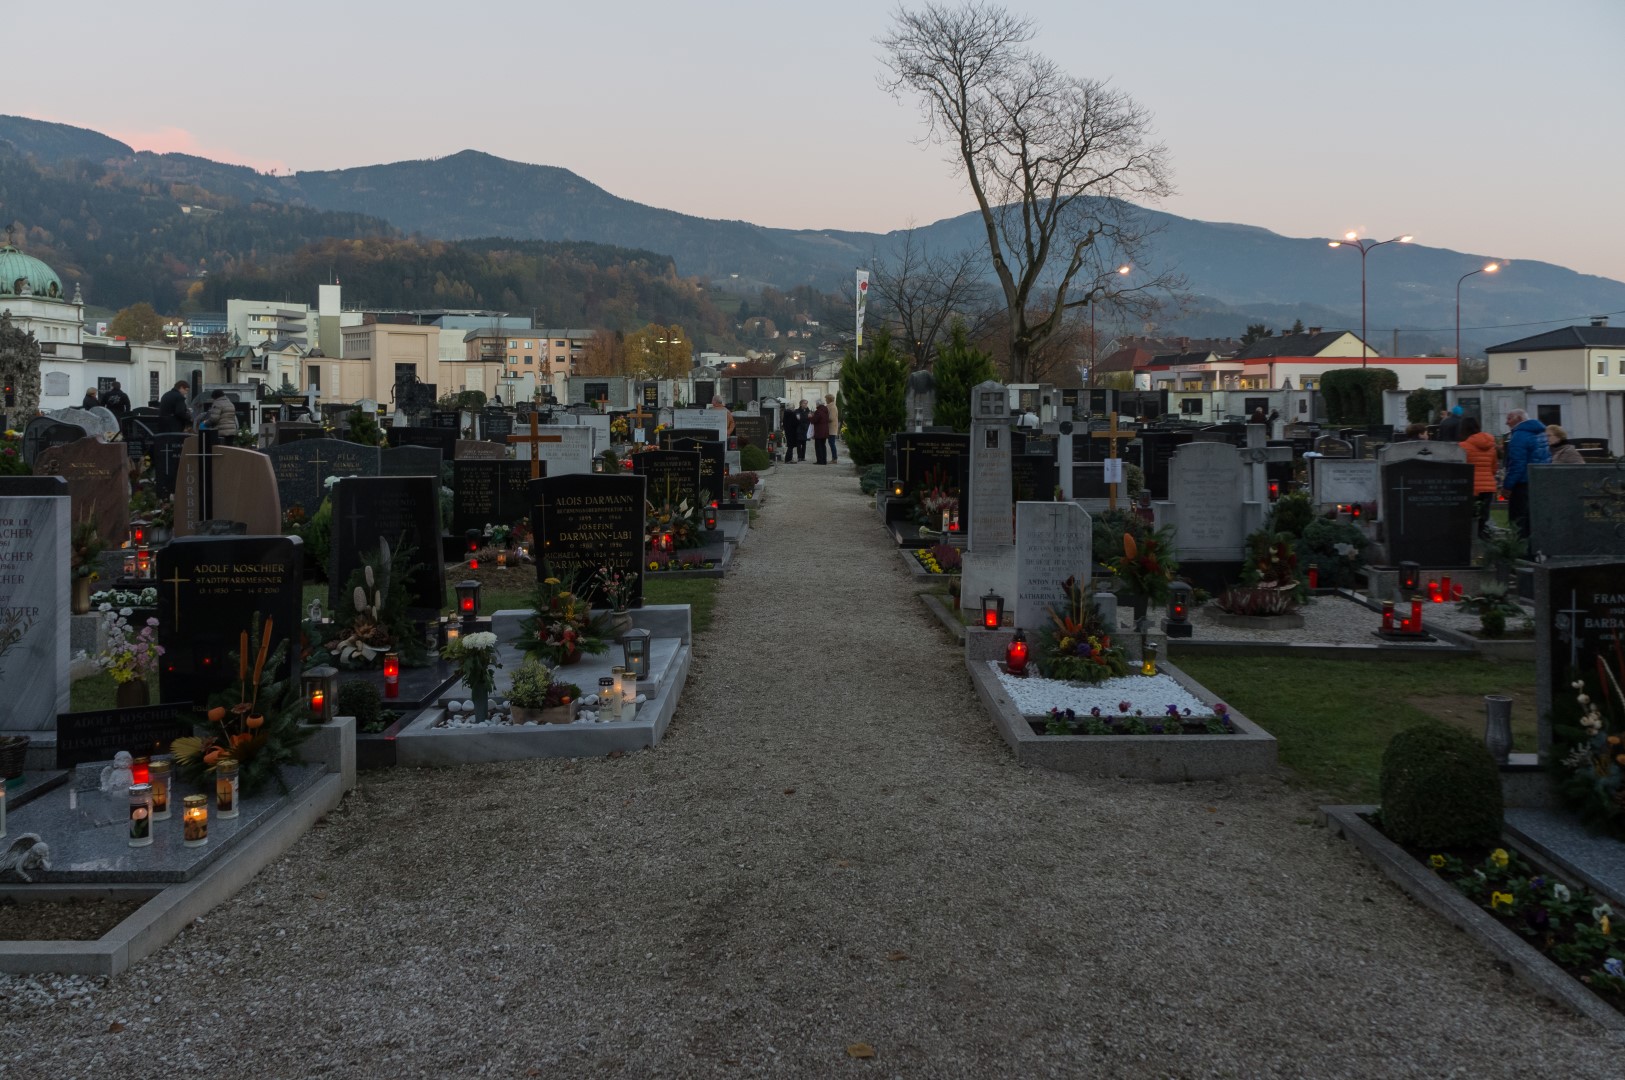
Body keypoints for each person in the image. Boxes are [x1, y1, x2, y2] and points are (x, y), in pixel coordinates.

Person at [1501, 408, 1549, 553]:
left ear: (1519, 419)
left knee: (1519, 521)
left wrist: (1507, 486)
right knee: (1533, 519)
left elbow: (1517, 464)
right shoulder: (1540, 433)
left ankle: (1521, 552)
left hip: (1522, 484)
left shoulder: (1519, 436)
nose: (1506, 422)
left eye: (1509, 418)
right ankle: (1536, 550)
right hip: (1538, 481)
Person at [1459, 416, 1498, 540]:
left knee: (1470, 516)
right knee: (1483, 516)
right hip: (1488, 486)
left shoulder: (1463, 446)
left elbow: (1459, 468)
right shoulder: (1491, 445)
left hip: (1471, 486)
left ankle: (1471, 541)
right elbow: (1494, 468)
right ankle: (1483, 540)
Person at [810, 397, 831, 465]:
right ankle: (824, 460)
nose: (816, 405)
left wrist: (810, 417)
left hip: (819, 431)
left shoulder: (818, 411)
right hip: (825, 430)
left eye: (816, 404)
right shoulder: (825, 410)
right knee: (823, 446)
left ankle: (820, 461)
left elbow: (814, 420)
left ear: (818, 404)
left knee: (818, 446)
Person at [824, 393, 841, 464]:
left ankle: (834, 458)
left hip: (832, 428)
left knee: (832, 443)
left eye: (826, 399)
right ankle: (834, 458)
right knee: (831, 443)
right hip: (830, 427)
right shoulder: (830, 406)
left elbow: (831, 418)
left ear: (829, 399)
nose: (825, 400)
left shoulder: (833, 407)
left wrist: (823, 418)